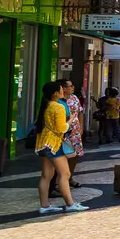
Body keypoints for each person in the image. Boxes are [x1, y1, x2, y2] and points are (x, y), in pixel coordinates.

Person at [35, 79, 82, 214]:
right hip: (54, 144)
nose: (63, 90)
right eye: (61, 88)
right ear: (56, 93)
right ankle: (70, 204)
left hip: (44, 143)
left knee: (46, 175)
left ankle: (44, 206)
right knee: (65, 173)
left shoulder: (47, 105)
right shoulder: (58, 106)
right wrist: (71, 119)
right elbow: (62, 128)